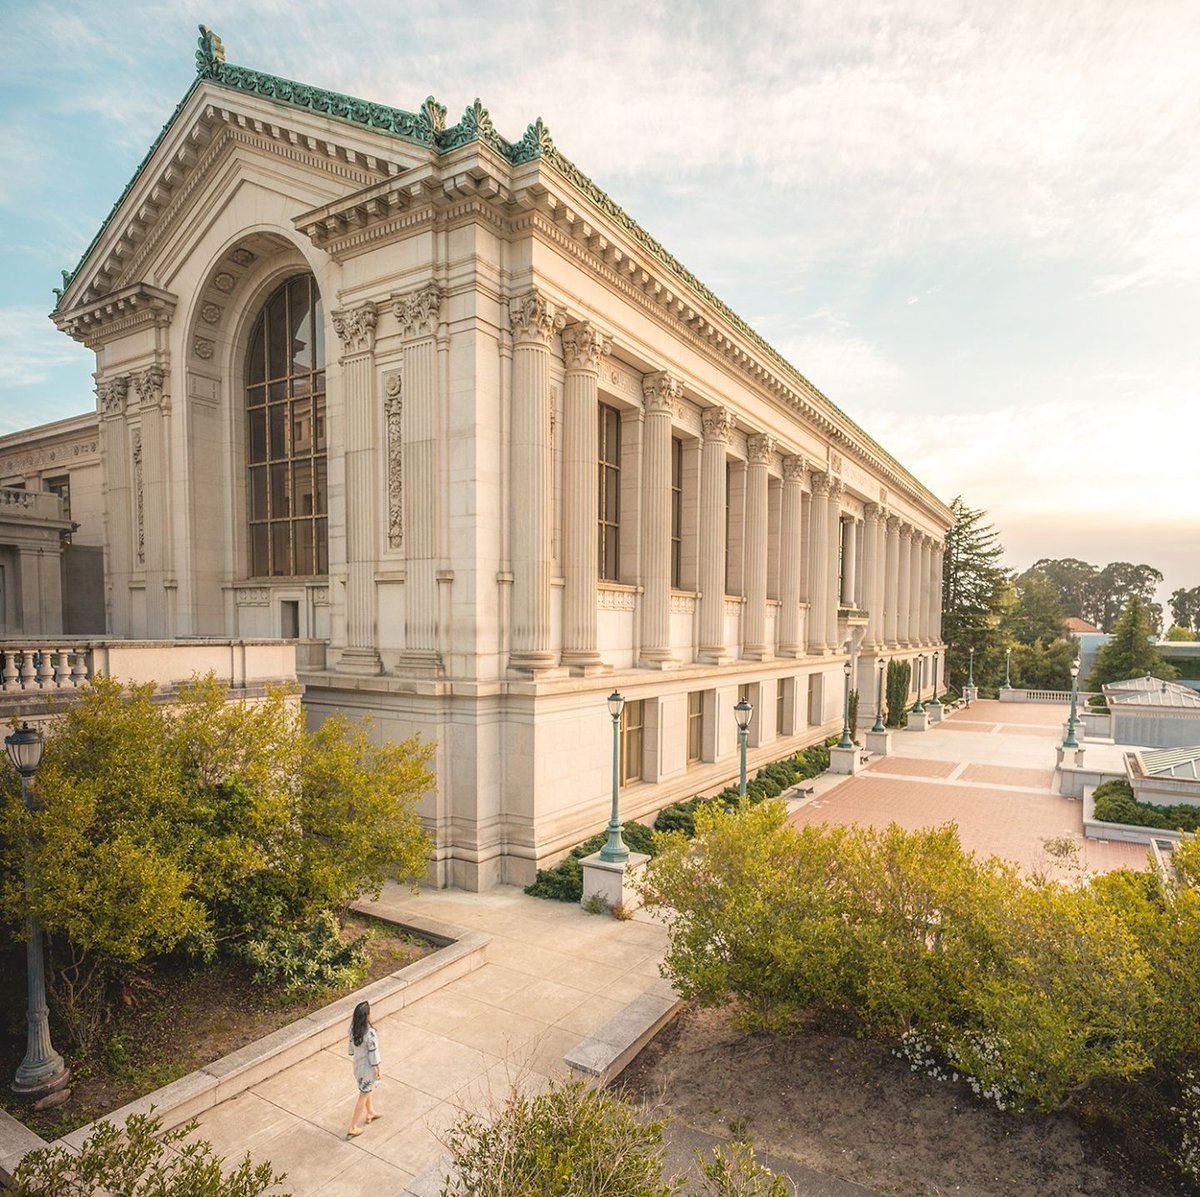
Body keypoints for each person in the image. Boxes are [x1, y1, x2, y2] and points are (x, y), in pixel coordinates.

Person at [346, 999, 382, 1138]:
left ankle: (371, 1112)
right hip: (367, 1068)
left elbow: (351, 1050)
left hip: (357, 1066)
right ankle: (353, 1126)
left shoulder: (352, 1029)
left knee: (366, 1089)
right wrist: (378, 1068)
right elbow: (374, 1053)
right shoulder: (370, 1033)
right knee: (363, 1095)